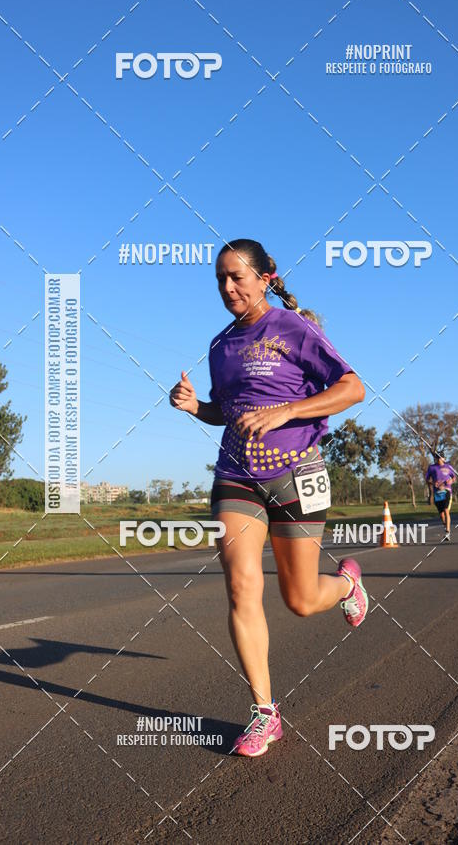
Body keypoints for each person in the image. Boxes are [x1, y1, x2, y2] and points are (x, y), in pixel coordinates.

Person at [169, 238, 367, 758]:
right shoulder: (220, 345)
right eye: (220, 279)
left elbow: (352, 388)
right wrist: (196, 408)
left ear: (264, 277)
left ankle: (346, 583)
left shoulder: (292, 328)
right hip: (236, 474)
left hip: (296, 471)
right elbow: (227, 410)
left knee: (299, 600)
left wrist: (287, 411)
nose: (228, 287)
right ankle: (264, 713)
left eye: (237, 276)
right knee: (240, 587)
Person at [426, 452, 456, 542]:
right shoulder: (431, 468)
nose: (438, 459)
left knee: (446, 510)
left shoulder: (448, 467)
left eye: (440, 457)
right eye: (437, 457)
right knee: (441, 514)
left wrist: (450, 481)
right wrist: (432, 483)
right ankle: (445, 527)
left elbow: (453, 477)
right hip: (437, 493)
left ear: (443, 458)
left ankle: (447, 532)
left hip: (447, 491)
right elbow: (427, 479)